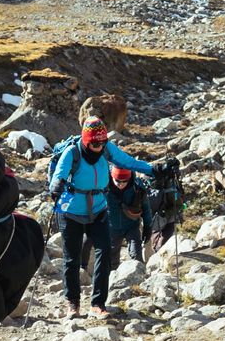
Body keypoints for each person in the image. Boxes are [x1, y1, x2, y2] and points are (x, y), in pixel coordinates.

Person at [50, 116, 160, 319]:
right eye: (95, 143)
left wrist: (154, 169)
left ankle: (98, 304)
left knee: (105, 254)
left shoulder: (107, 149)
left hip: (99, 210)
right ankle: (72, 303)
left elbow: (128, 162)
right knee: (72, 259)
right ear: (85, 140)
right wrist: (56, 185)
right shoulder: (72, 153)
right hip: (71, 212)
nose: (99, 147)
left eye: (102, 142)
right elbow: (59, 175)